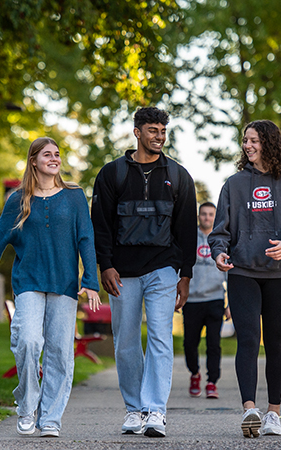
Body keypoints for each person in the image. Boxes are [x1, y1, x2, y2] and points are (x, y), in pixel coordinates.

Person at [0, 137, 101, 438]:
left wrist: (90, 280)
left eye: (57, 154)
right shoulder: (18, 199)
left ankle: (50, 417)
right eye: (47, 154)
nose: (54, 159)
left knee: (60, 352)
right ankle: (26, 405)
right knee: (28, 342)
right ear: (33, 160)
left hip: (64, 285)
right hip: (29, 283)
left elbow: (86, 238)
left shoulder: (74, 197)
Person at [91, 106, 197, 438]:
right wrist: (105, 265)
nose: (159, 137)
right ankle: (134, 409)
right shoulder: (112, 174)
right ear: (137, 132)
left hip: (163, 269)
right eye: (153, 130)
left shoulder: (179, 176)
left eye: (163, 131)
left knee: (161, 338)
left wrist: (186, 274)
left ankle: (156, 410)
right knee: (125, 341)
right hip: (122, 272)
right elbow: (101, 225)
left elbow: (187, 229)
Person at [208, 119, 281, 438]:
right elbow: (219, 230)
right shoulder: (234, 184)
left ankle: (274, 413)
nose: (247, 145)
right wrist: (219, 252)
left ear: (270, 142)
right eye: (245, 140)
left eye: (254, 140)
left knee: (277, 341)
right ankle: (250, 409)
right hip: (242, 272)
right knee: (248, 340)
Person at [184, 201, 230, 399]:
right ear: (198, 216)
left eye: (211, 214)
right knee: (189, 343)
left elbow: (230, 270)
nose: (207, 218)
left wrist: (231, 304)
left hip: (215, 299)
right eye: (204, 214)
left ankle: (212, 382)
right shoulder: (189, 238)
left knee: (214, 344)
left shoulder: (222, 239)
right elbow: (181, 267)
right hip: (192, 300)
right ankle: (194, 373)